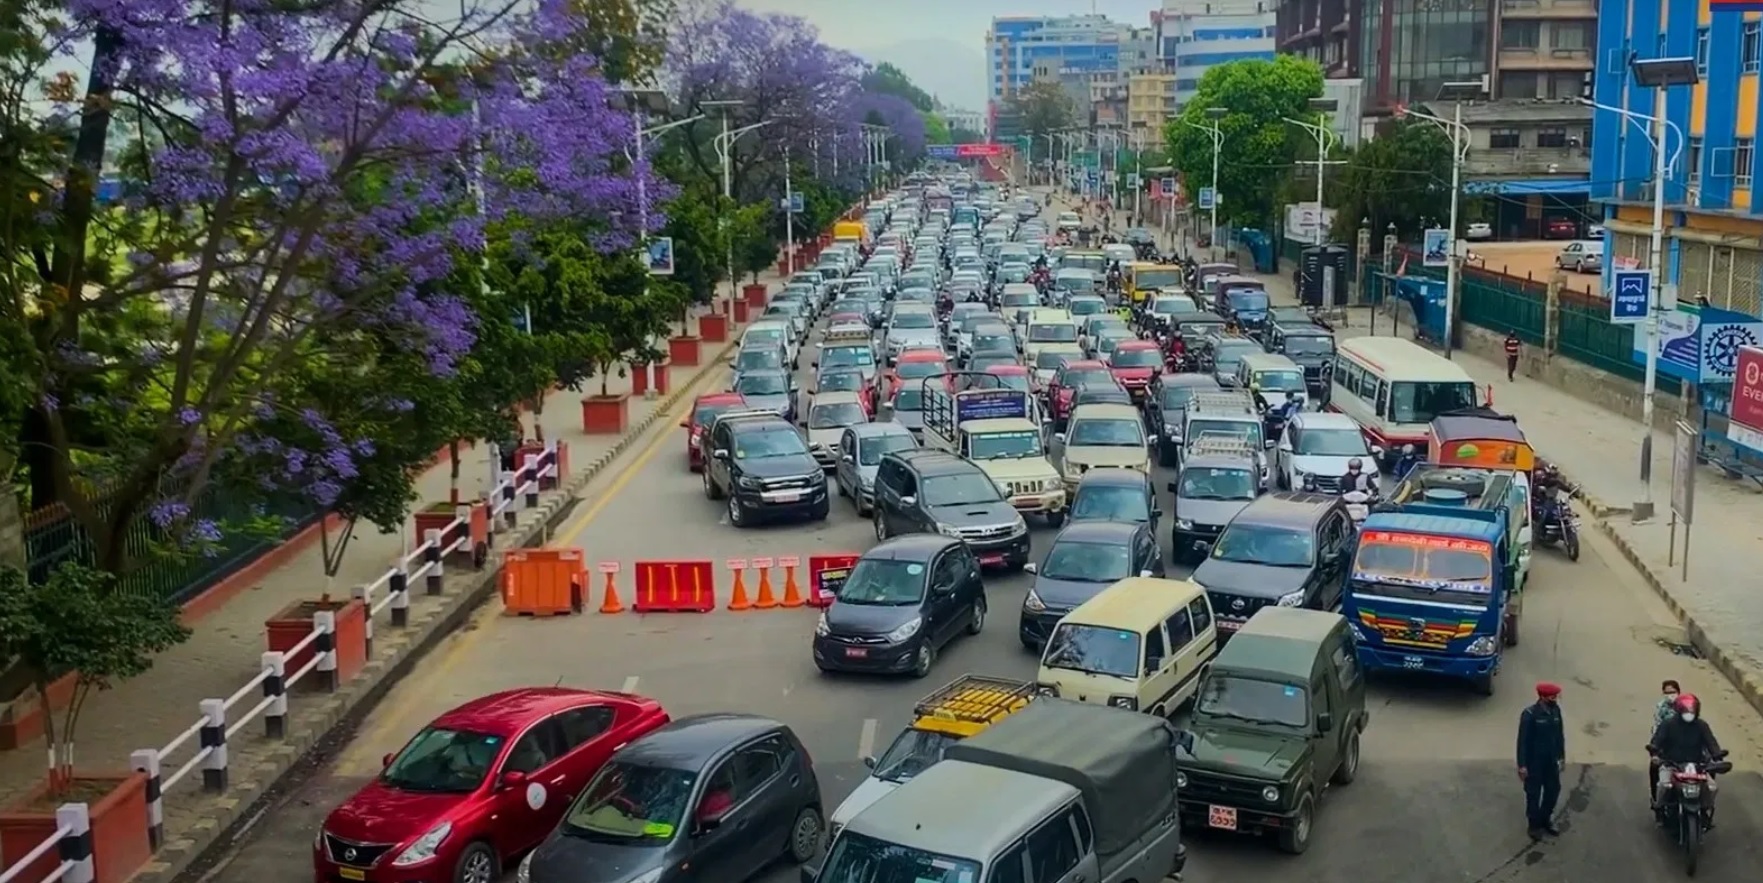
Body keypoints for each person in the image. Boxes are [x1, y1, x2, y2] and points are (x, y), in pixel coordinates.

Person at [1648, 692, 1725, 822]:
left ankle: (1705, 809)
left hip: (1697, 765)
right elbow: (1657, 741)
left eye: (1691, 711)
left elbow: (1711, 742)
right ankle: (1660, 808)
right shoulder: (1668, 724)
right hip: (1671, 763)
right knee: (1663, 785)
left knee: (1712, 788)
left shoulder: (1702, 725)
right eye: (1686, 711)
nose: (1689, 714)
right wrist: (1655, 753)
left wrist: (1717, 755)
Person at [1516, 681, 1567, 838]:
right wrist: (1522, 765)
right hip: (1534, 763)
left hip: (1551, 761)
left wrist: (1561, 757)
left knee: (1553, 791)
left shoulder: (1556, 711)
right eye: (1553, 697)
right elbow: (1522, 741)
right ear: (1543, 697)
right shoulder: (1530, 714)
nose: (1556, 699)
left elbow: (1559, 736)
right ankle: (1534, 825)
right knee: (1533, 794)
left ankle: (1545, 818)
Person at [1650, 680, 1682, 804]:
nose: (1670, 695)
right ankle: (1656, 800)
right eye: (1666, 693)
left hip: (1686, 747)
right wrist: (1656, 748)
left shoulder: (1686, 706)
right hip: (1666, 746)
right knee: (1654, 768)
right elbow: (1657, 727)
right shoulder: (1661, 707)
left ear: (1679, 692)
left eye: (1673, 692)